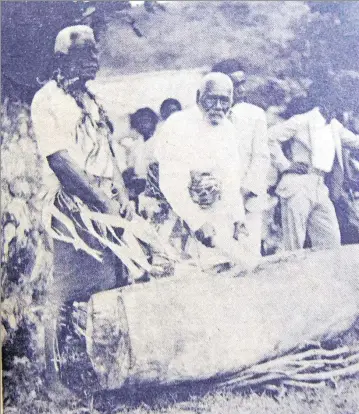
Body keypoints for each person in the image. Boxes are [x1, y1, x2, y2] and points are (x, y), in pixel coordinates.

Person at [31, 25, 138, 389]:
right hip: (69, 206)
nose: (94, 60)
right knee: (62, 287)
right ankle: (52, 376)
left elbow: (106, 153)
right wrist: (99, 198)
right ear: (62, 59)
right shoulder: (47, 99)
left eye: (95, 53)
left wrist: (121, 193)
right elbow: (59, 160)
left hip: (102, 202)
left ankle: (102, 364)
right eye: (85, 54)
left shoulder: (91, 100)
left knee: (108, 279)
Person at [154, 72, 255, 271]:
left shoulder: (228, 129)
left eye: (224, 100)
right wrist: (197, 222)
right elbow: (171, 184)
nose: (218, 107)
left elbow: (231, 179)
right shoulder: (178, 124)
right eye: (212, 99)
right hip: (183, 220)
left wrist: (237, 219)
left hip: (221, 224)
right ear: (198, 96)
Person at [268, 83, 359, 251]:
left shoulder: (334, 126)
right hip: (298, 184)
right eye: (336, 101)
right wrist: (285, 165)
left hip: (320, 186)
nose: (339, 107)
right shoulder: (301, 121)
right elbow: (269, 138)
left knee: (331, 240)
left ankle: (323, 277)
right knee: (294, 244)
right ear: (324, 101)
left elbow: (357, 142)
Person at [212, 59, 270, 257]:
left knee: (250, 255)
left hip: (248, 199)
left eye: (242, 83)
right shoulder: (209, 117)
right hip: (217, 201)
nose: (241, 89)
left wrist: (244, 190)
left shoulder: (255, 115)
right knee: (221, 258)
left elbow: (261, 157)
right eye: (235, 84)